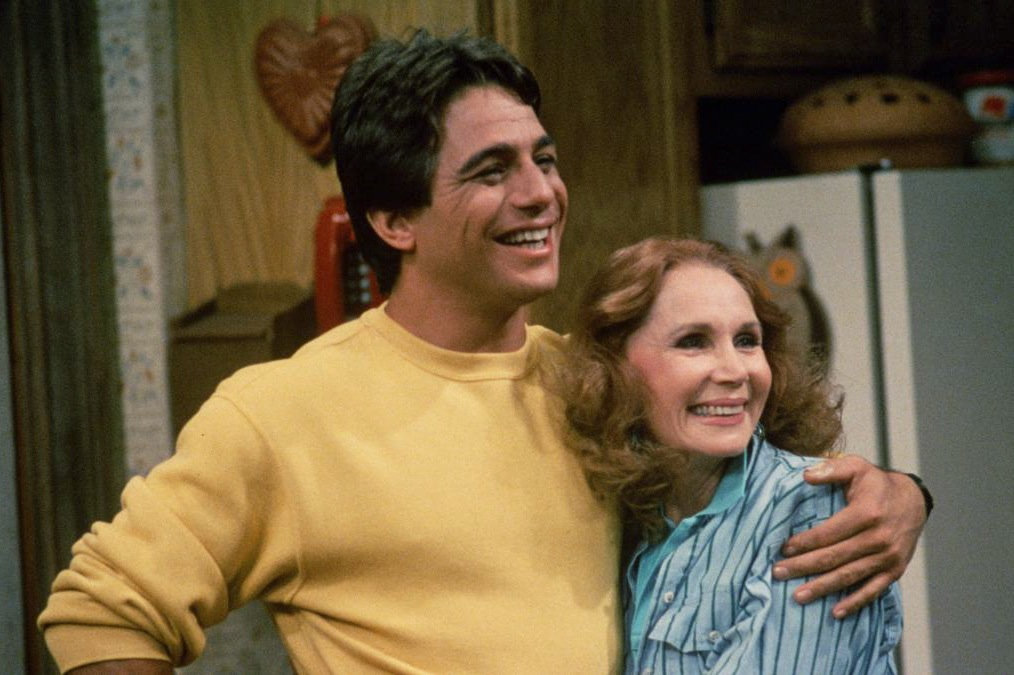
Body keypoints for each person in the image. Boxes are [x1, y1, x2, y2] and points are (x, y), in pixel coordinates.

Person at [39, 31, 927, 674]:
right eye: (492, 170)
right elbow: (98, 609)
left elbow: (749, 501)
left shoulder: (596, 383)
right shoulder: (278, 412)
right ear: (395, 219)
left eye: (544, 158)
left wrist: (905, 494)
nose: (542, 193)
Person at [560, 236, 903, 673]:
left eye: (746, 340)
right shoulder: (625, 517)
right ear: (614, 367)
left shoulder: (812, 509)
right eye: (693, 342)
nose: (735, 370)